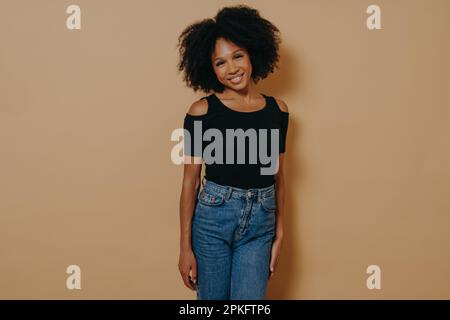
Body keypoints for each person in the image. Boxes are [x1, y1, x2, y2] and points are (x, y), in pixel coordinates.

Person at [177, 4, 289, 300]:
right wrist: (185, 247)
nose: (232, 68)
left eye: (237, 56)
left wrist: (280, 234)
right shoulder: (201, 112)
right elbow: (190, 181)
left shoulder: (277, 110)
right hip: (213, 219)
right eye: (220, 63)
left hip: (260, 224)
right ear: (209, 68)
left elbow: (279, 177)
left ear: (253, 53)